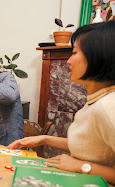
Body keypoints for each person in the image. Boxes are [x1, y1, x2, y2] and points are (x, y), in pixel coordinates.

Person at [8, 21, 115, 185]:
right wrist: (44, 139)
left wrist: (81, 166)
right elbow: (90, 145)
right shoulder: (96, 101)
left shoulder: (107, 106)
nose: (68, 61)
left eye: (75, 53)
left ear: (98, 57)